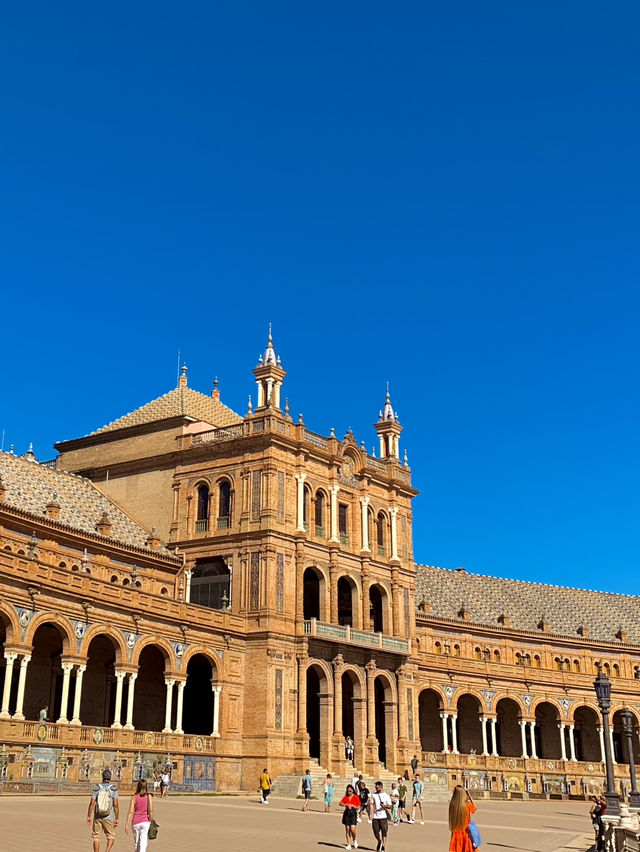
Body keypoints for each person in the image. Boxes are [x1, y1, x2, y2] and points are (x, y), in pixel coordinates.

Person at [87, 768, 119, 852]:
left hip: (98, 816)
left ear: (102, 777)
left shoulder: (97, 788)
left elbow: (92, 802)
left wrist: (89, 815)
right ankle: (107, 851)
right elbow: (115, 804)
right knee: (111, 836)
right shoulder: (113, 789)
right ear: (110, 778)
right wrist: (117, 818)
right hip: (109, 816)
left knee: (96, 836)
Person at [124, 779, 154, 852]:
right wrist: (152, 820)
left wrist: (127, 824)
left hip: (136, 822)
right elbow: (151, 810)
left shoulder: (134, 797)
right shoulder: (149, 796)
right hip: (145, 821)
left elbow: (131, 811)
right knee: (143, 842)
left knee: (137, 842)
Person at [448, 785, 477, 852]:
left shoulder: (452, 805)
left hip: (456, 832)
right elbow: (474, 809)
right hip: (466, 832)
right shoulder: (467, 805)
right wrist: (469, 795)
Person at [369, 781, 392, 851]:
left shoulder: (386, 796)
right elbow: (372, 805)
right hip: (376, 816)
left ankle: (383, 846)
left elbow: (390, 806)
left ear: (381, 787)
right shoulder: (374, 795)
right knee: (375, 832)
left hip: (383, 816)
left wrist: (385, 805)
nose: (376, 789)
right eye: (375, 788)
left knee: (384, 832)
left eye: (377, 787)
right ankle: (379, 841)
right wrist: (371, 814)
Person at [340, 783, 360, 850]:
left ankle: (354, 840)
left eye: (350, 791)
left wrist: (353, 806)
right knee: (347, 830)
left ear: (353, 791)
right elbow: (340, 803)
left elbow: (358, 807)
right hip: (347, 814)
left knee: (353, 829)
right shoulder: (345, 797)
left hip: (353, 813)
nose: (349, 792)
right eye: (348, 791)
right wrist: (345, 804)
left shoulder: (356, 797)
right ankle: (348, 844)